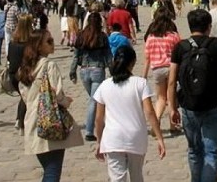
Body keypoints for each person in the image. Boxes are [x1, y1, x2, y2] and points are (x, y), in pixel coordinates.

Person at [168, 8, 217, 182]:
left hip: (188, 106)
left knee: (194, 150)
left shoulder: (181, 47)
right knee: (211, 153)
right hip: (213, 104)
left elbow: (171, 81)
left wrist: (172, 108)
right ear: (209, 26)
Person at [17, 30, 83, 182]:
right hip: (50, 121)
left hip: (32, 120)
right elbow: (57, 94)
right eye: (49, 41)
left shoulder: (24, 69)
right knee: (52, 172)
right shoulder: (49, 66)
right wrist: (66, 101)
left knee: (48, 168)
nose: (53, 43)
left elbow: (25, 96)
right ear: (38, 46)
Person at [94, 44, 166, 181]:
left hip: (112, 138)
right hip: (136, 137)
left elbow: (99, 118)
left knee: (117, 178)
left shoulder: (105, 85)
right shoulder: (140, 84)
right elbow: (150, 112)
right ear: (132, 63)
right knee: (137, 175)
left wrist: (99, 141)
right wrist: (159, 138)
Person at [70, 11, 112, 142]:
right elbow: (108, 56)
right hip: (97, 70)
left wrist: (72, 71)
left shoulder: (82, 36)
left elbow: (76, 55)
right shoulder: (102, 36)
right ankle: (89, 131)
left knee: (93, 100)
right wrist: (114, 71)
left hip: (84, 70)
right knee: (94, 101)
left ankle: (100, 125)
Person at [142, 10, 181, 135]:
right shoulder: (174, 36)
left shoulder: (151, 37)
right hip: (172, 68)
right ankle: (172, 125)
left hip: (157, 69)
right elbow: (181, 52)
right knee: (171, 97)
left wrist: (144, 76)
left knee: (160, 98)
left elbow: (147, 58)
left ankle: (156, 121)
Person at [9, 14, 35, 131]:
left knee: (23, 96)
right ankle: (20, 120)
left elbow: (9, 58)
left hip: (13, 74)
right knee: (26, 97)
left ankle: (20, 119)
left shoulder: (12, 42)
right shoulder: (30, 43)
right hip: (24, 73)